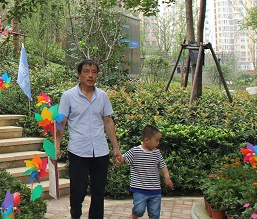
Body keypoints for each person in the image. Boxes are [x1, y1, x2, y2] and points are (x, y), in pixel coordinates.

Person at [55, 59, 121, 219]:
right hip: (78, 151)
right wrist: (56, 147)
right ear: (79, 74)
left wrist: (115, 148)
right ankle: (75, 215)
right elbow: (61, 123)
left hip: (100, 151)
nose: (90, 75)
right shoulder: (68, 96)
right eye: (86, 72)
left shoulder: (102, 96)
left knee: (99, 192)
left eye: (94, 72)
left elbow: (108, 121)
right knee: (78, 191)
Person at [119, 125, 174, 219]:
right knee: (139, 210)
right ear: (147, 140)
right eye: (156, 140)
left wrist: (167, 178)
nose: (158, 143)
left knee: (154, 214)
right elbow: (124, 158)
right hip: (139, 189)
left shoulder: (156, 153)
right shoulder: (135, 151)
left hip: (155, 190)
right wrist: (119, 159)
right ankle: (134, 217)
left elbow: (163, 166)